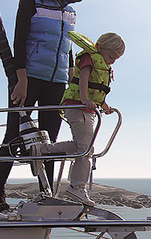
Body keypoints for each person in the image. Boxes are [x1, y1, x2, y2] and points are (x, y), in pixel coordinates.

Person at [0, 0, 87, 211]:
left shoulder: (71, 10)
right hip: (29, 78)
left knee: (50, 141)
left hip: (57, 82)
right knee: (14, 135)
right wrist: (20, 79)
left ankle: (47, 194)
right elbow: (19, 40)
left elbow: (67, 47)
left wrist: (70, 82)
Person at [34, 31, 125, 206]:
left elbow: (96, 87)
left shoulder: (102, 63)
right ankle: (77, 187)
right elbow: (83, 78)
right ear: (100, 48)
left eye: (115, 59)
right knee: (86, 148)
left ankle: (43, 150)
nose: (112, 61)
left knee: (81, 147)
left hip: (87, 110)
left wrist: (103, 105)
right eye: (111, 56)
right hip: (77, 106)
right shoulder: (89, 58)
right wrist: (84, 99)